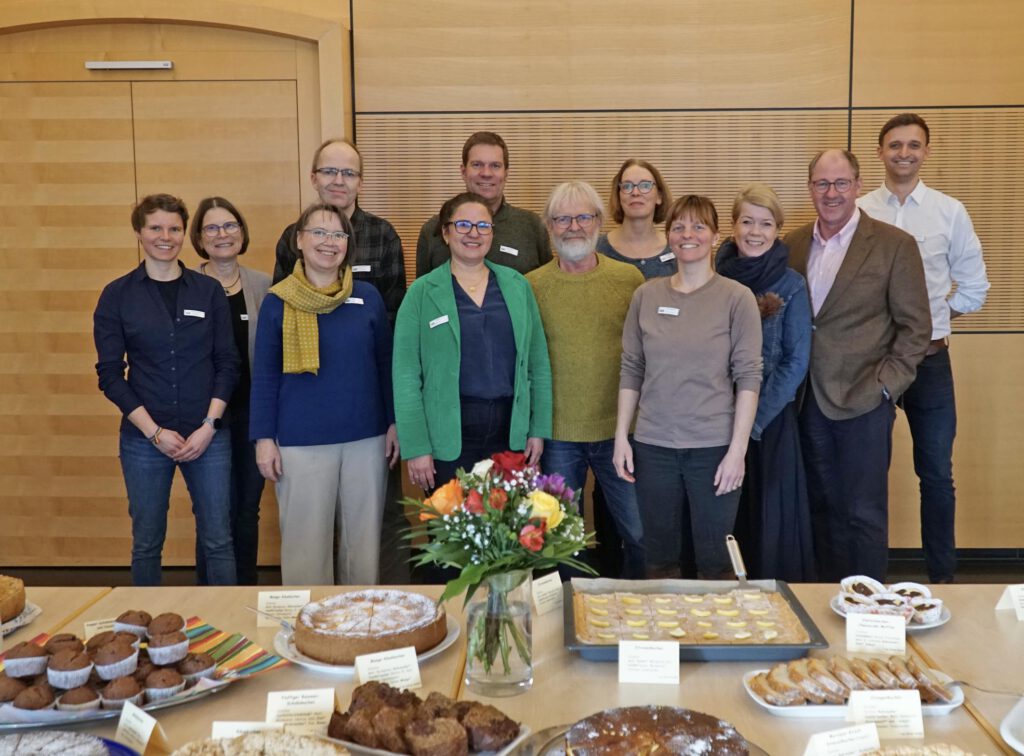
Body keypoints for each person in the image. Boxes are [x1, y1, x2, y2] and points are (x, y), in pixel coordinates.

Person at [787, 149, 931, 582]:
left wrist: (886, 386)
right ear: (810, 188)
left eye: (841, 183)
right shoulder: (792, 244)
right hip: (806, 399)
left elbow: (916, 328)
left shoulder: (893, 245)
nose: (831, 193)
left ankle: (868, 606)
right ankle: (827, 600)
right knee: (820, 508)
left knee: (863, 513)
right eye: (822, 184)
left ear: (857, 186)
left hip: (865, 398)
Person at [858, 113, 989, 584]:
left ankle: (943, 580)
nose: (904, 153)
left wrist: (929, 322)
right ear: (880, 152)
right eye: (895, 145)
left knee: (935, 474)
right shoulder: (859, 210)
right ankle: (866, 582)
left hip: (930, 362)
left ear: (926, 152)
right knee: (866, 474)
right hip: (871, 363)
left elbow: (975, 288)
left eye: (914, 145)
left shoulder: (949, 212)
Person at [272, 138, 409, 583]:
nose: (338, 180)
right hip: (308, 412)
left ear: (360, 182)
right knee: (311, 528)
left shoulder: (383, 235)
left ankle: (381, 607)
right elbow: (285, 317)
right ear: (314, 177)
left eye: (348, 173)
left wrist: (392, 415)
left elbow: (393, 330)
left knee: (379, 521)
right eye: (330, 171)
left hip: (366, 413)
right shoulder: (291, 237)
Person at [614, 195, 762, 579]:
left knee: (716, 562)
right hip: (653, 446)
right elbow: (631, 368)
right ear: (669, 236)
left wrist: (737, 452)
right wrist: (622, 438)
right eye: (678, 227)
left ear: (715, 236)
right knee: (659, 560)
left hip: (714, 448)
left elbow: (748, 377)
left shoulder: (737, 298)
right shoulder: (646, 296)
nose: (687, 234)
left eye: (698, 226)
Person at [94, 194, 239, 586]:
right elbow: (110, 375)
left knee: (219, 540)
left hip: (208, 436)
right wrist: (154, 432)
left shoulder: (208, 291)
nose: (166, 237)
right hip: (144, 440)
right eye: (155, 228)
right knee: (146, 543)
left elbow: (227, 362)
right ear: (139, 232)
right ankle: (145, 622)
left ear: (184, 233)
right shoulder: (117, 295)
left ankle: (223, 620)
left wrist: (209, 425)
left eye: (174, 228)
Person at [251, 202, 398, 585]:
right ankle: (308, 620)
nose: (329, 242)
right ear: (299, 240)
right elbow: (264, 375)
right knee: (306, 549)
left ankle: (358, 616)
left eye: (338, 234)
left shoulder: (367, 297)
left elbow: (386, 364)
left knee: (362, 548)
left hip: (366, 439)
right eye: (318, 232)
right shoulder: (278, 301)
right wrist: (263, 439)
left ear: (348, 244)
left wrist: (394, 423)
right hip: (301, 442)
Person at [527, 181, 646, 578]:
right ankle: (568, 613)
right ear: (549, 226)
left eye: (583, 217)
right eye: (563, 219)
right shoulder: (532, 286)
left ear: (599, 221)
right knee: (561, 542)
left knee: (640, 531)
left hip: (620, 432)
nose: (574, 227)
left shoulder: (628, 279)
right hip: (558, 434)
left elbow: (645, 355)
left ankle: (642, 609)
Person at [395, 191, 552, 492]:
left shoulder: (518, 286)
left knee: (508, 521)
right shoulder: (421, 293)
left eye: (483, 226)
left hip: (510, 434)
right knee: (451, 522)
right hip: (446, 438)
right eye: (463, 225)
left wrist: (538, 430)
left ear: (492, 233)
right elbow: (405, 376)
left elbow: (538, 365)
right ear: (445, 233)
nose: (473, 233)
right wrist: (416, 446)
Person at [715, 183, 815, 582]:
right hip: (717, 420)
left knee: (769, 520)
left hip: (769, 423)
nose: (755, 232)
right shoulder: (713, 278)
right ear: (733, 226)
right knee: (725, 518)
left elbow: (796, 361)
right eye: (747, 222)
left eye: (766, 223)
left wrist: (752, 422)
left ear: (777, 231)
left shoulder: (791, 284)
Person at [189, 197, 270, 586]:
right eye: (212, 227)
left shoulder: (263, 285)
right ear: (199, 238)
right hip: (206, 417)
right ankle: (209, 598)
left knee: (247, 510)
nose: (222, 234)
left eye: (230, 225)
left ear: (242, 232)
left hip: (253, 414)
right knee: (213, 513)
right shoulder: (187, 285)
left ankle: (246, 593)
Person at [415, 132, 552, 277]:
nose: (486, 173)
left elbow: (546, 284)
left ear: (506, 173)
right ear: (463, 171)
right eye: (477, 165)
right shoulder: (433, 230)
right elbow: (424, 289)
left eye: (495, 166)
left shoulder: (532, 226)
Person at [597, 158, 676, 279]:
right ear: (618, 196)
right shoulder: (596, 249)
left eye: (645, 185)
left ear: (659, 196)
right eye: (627, 186)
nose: (635, 192)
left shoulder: (676, 248)